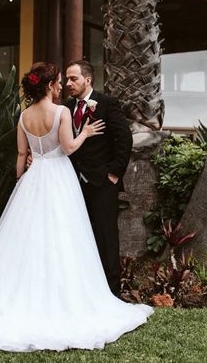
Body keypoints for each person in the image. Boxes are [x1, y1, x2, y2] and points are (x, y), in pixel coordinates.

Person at [0, 62, 152, 352]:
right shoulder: (62, 111)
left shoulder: (23, 116)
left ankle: (39, 293)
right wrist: (85, 133)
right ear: (49, 85)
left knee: (30, 239)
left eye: (69, 79)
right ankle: (68, 296)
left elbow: (22, 154)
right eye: (59, 81)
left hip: (34, 181)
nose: (63, 85)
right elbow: (69, 147)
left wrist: (22, 179)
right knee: (65, 236)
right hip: (61, 178)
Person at [64, 59, 132, 297]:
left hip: (102, 182)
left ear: (88, 80)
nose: (68, 83)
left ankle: (112, 293)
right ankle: (86, 290)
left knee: (106, 236)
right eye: (66, 79)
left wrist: (113, 174)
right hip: (73, 183)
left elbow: (124, 140)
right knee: (79, 235)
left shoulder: (107, 104)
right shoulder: (66, 108)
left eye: (73, 78)